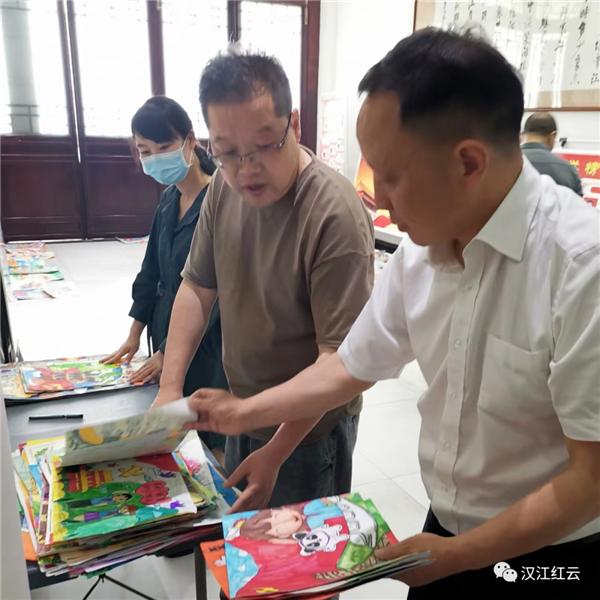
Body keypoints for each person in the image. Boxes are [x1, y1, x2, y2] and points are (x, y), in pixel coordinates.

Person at [187, 29, 600, 598]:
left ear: (469, 163)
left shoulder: (580, 267)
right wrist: (243, 413)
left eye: (393, 175)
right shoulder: (421, 252)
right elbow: (348, 365)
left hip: (552, 553)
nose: (377, 197)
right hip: (447, 528)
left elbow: (591, 479)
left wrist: (461, 558)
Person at [154, 51, 374, 512]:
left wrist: (275, 451)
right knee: (240, 542)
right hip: (241, 412)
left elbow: (339, 363)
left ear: (294, 124)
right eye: (227, 152)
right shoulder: (222, 187)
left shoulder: (333, 213)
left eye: (264, 145)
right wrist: (170, 388)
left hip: (307, 433)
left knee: (296, 554)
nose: (246, 169)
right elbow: (196, 289)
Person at [103, 96, 228, 450]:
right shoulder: (168, 200)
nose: (155, 158)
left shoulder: (221, 201)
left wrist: (169, 352)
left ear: (190, 140)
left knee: (207, 432)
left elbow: (215, 295)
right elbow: (150, 272)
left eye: (164, 147)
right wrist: (134, 334)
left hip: (208, 342)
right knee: (170, 427)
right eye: (145, 151)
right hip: (164, 330)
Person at [521, 112, 583, 195]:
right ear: (552, 136)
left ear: (522, 135)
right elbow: (577, 202)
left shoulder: (506, 163)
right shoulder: (567, 169)